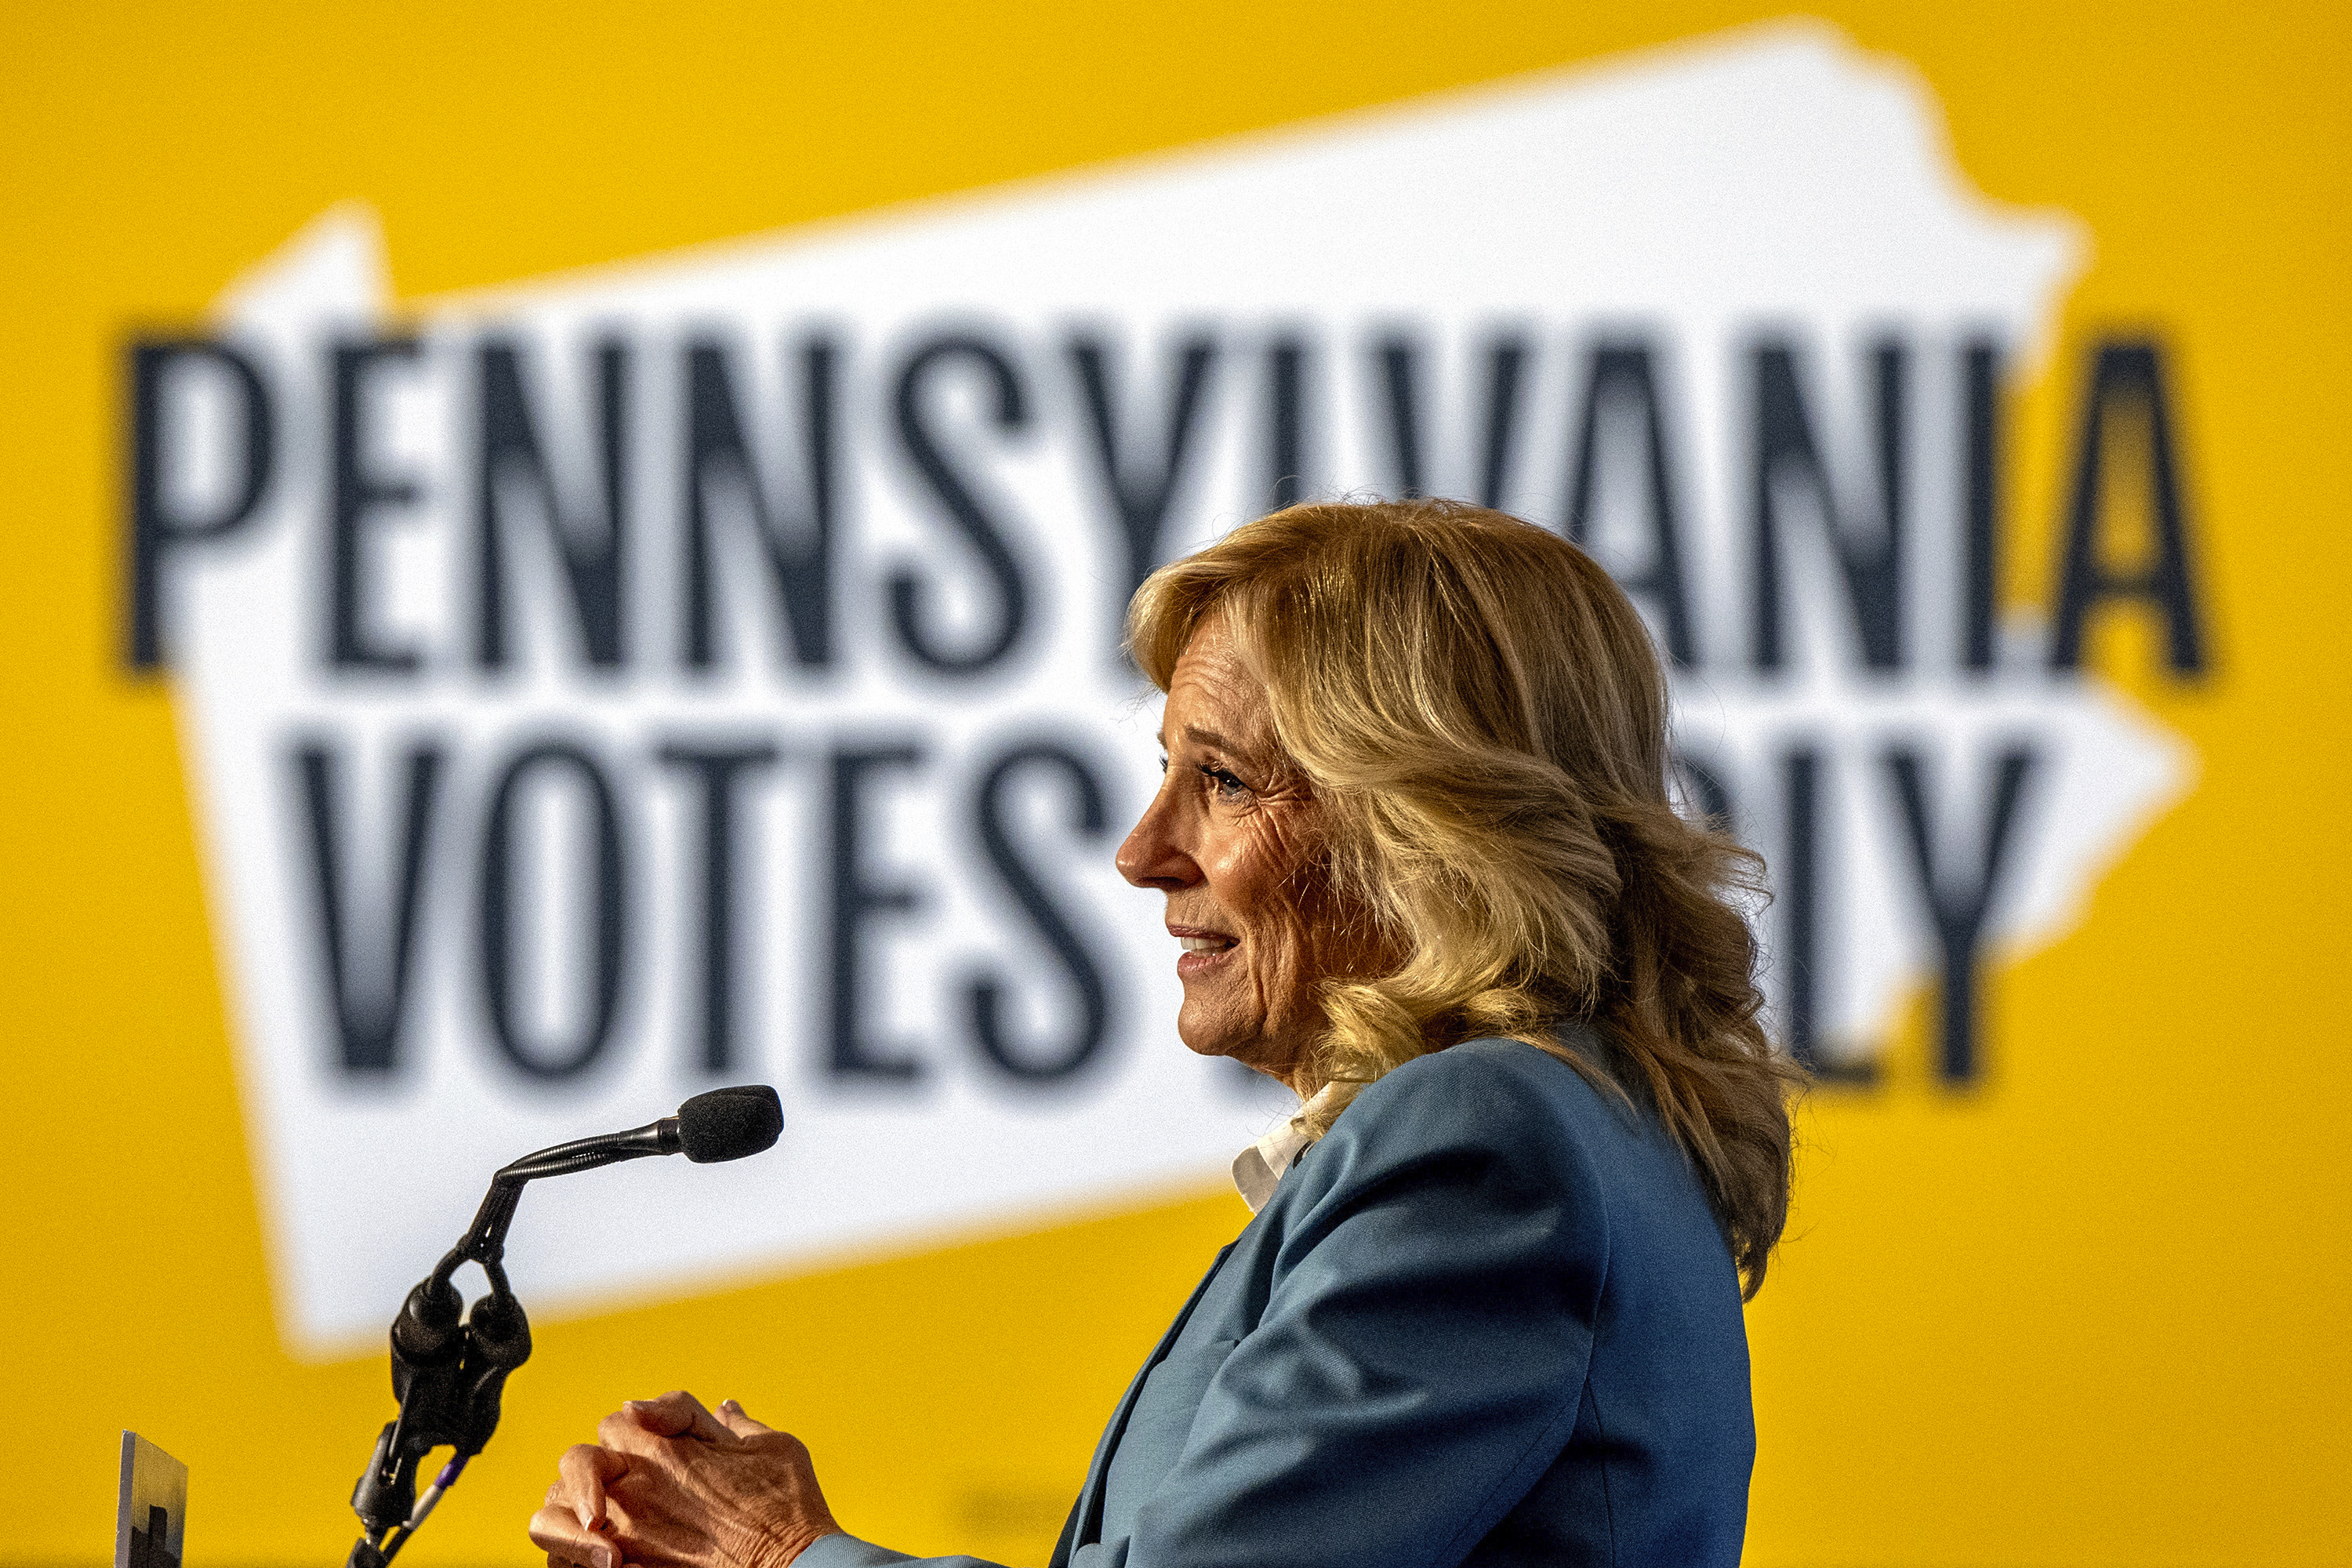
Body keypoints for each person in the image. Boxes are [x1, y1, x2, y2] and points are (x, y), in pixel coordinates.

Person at [528, 499, 1802, 1568]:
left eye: (1227, 780)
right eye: (1165, 771)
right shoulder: (1587, 1129)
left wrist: (785, 1558)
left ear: (1429, 820)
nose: (1142, 855)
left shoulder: (1487, 1142)